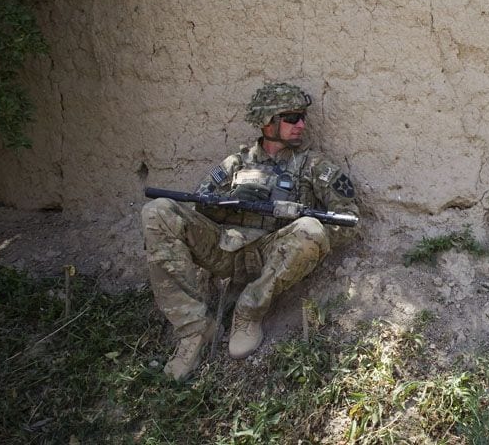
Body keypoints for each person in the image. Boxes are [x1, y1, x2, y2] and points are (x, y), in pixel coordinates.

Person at [141, 82, 360, 380]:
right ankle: (193, 329)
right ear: (268, 121)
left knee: (310, 228)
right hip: (225, 251)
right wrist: (230, 206)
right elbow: (199, 209)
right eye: (292, 117)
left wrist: (293, 220)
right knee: (158, 212)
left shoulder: (313, 166)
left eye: (303, 117)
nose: (301, 124)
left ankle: (249, 310)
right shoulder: (236, 163)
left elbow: (348, 220)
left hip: (271, 255)